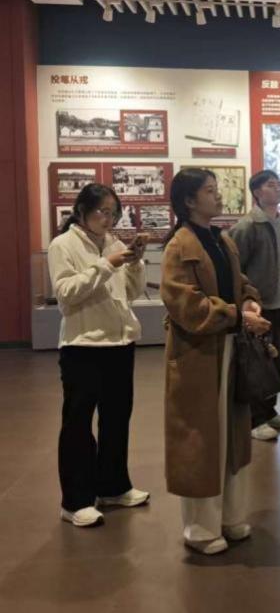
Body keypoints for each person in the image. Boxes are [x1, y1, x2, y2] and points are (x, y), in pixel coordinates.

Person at [160, 168, 271, 555]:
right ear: (189, 200)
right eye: (210, 190)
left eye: (216, 189)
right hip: (197, 356)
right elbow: (185, 305)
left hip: (230, 349)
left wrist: (250, 301)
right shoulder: (179, 246)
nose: (218, 196)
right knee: (201, 439)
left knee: (231, 435)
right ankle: (200, 528)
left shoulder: (222, 239)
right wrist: (238, 316)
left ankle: (231, 516)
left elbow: (240, 283)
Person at [48, 183, 151, 527]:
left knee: (116, 419)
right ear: (81, 211)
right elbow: (66, 294)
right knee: (78, 425)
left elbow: (131, 292)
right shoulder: (63, 245)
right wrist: (106, 265)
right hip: (83, 346)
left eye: (113, 213)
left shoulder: (114, 244)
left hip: (119, 344)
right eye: (101, 212)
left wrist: (134, 262)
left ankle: (113, 486)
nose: (108, 219)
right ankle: (75, 501)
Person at [228, 170, 280, 442]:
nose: (278, 189)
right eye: (271, 185)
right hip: (258, 307)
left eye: (279, 184)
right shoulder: (247, 227)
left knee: (276, 360)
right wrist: (246, 304)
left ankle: (269, 411)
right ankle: (254, 419)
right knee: (257, 364)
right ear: (257, 192)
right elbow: (235, 270)